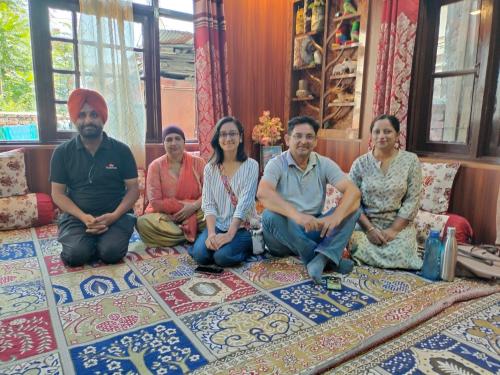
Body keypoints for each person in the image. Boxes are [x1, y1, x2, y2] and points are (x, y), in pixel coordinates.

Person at [257, 115, 361, 284]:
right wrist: (297, 216)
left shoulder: (324, 163)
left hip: (314, 227)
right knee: (270, 216)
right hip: (283, 234)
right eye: (298, 136)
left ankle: (320, 261)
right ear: (288, 139)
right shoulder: (276, 163)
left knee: (354, 209)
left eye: (309, 136)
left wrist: (336, 217)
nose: (303, 141)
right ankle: (326, 259)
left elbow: (353, 192)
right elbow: (263, 193)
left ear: (315, 141)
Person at [50, 88, 139, 267]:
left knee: (111, 253)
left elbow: (133, 189)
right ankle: (86, 242)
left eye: (94, 114)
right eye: (82, 115)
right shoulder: (62, 153)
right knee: (76, 255)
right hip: (77, 217)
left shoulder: (121, 150)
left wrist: (114, 216)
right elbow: (58, 194)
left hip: (116, 216)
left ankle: (99, 242)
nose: (88, 120)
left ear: (103, 118)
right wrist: (84, 218)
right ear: (75, 119)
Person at [349, 114, 423, 269]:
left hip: (398, 225)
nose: (381, 136)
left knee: (401, 252)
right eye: (377, 132)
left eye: (387, 131)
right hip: (365, 225)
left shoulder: (411, 161)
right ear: (372, 135)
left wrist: (393, 230)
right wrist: (369, 229)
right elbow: (351, 200)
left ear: (397, 135)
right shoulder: (360, 163)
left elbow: (413, 199)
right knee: (356, 244)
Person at [189, 116, 259, 267]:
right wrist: (212, 233)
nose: (228, 138)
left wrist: (229, 234)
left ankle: (247, 247)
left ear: (240, 137)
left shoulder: (251, 165)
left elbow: (244, 204)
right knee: (201, 256)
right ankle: (215, 243)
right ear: (217, 139)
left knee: (222, 258)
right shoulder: (210, 168)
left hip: (242, 227)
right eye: (223, 134)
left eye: (233, 134)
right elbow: (208, 203)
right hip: (218, 224)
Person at [136, 126, 206, 246]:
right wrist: (181, 210)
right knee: (142, 223)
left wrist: (193, 207)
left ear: (184, 142)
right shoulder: (155, 166)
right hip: (165, 215)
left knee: (214, 213)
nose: (173, 143)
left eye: (177, 139)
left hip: (195, 210)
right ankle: (192, 233)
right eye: (169, 140)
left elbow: (208, 193)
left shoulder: (198, 162)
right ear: (164, 144)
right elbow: (155, 202)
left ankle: (176, 235)